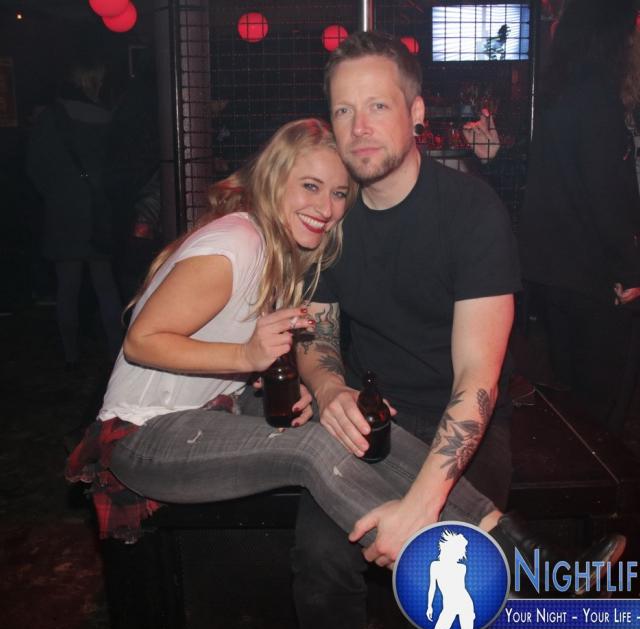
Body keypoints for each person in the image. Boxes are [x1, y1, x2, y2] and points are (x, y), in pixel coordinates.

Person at [290, 32, 625, 629]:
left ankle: (551, 609)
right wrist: (329, 386)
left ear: (416, 113)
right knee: (318, 561)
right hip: (372, 418)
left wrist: (421, 508)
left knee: (432, 580)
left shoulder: (472, 213)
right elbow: (316, 335)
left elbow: (478, 378)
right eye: (343, 110)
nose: (359, 127)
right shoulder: (333, 215)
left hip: (462, 418)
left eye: (378, 105)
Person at [65, 118, 505, 548]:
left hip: (212, 411)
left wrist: (275, 379)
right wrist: (245, 358)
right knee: (311, 446)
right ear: (274, 180)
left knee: (349, 419)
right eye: (310, 186)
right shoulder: (238, 243)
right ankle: (419, 551)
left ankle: (498, 530)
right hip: (143, 435)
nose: (326, 208)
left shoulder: (280, 248)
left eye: (338, 194)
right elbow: (140, 341)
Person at [518, 0, 640, 432]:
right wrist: (630, 269)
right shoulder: (598, 96)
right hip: (593, 273)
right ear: (613, 36)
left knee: (573, 396)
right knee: (604, 402)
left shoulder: (560, 91)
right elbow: (604, 194)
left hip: (553, 268)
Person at [26, 59, 122, 366]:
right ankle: (116, 352)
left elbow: (34, 167)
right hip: (98, 210)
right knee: (105, 285)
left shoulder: (51, 118)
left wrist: (56, 194)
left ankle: (70, 355)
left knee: (67, 286)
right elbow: (119, 168)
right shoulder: (108, 118)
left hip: (63, 211)